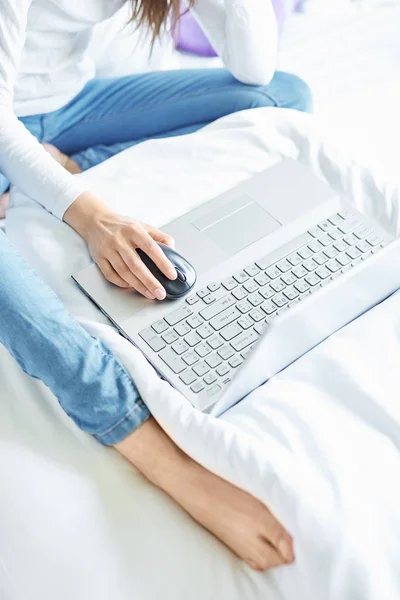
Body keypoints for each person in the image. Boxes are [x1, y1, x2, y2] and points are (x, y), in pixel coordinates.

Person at [0, 0, 310, 570]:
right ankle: (148, 446)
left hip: (69, 108)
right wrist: (91, 217)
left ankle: (52, 168)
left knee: (281, 98)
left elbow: (256, 70)